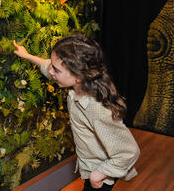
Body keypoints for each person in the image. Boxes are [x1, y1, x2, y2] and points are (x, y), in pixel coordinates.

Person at [13, 34, 140, 191]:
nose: (51, 72)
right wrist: (26, 55)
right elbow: (47, 67)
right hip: (90, 169)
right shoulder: (76, 84)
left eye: (56, 70)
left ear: (78, 77)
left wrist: (98, 174)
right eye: (53, 66)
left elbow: (128, 151)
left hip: (100, 176)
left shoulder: (96, 107)